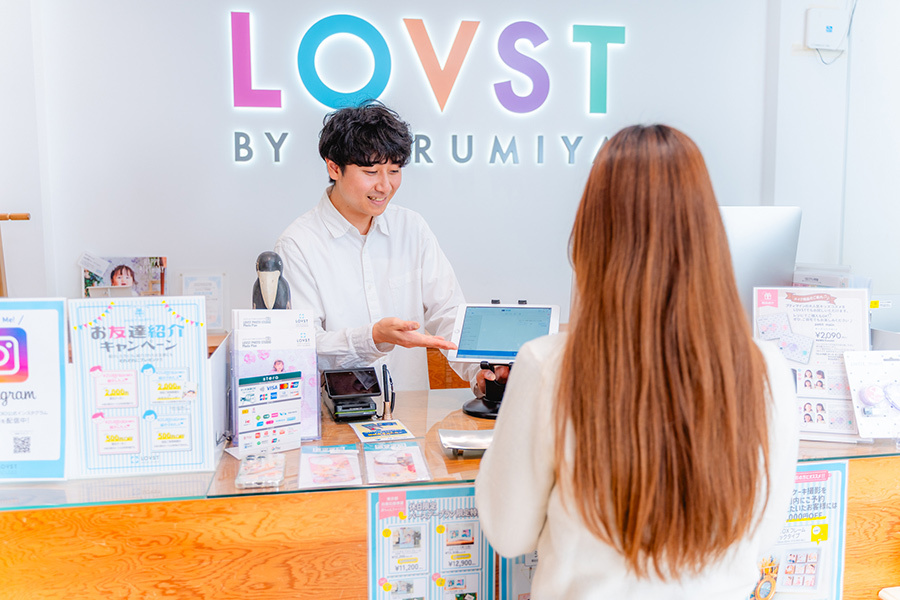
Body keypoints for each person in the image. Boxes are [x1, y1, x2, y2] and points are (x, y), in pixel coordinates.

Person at [475, 125, 799, 599]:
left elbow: (509, 533)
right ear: (707, 232)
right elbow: (763, 533)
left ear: (593, 233)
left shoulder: (548, 366)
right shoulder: (766, 368)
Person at [275, 102, 484, 391]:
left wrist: (480, 371)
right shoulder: (297, 244)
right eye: (371, 172)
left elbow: (449, 315)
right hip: (335, 413)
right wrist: (372, 338)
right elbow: (303, 346)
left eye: (394, 170)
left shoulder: (411, 228)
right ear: (334, 167)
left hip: (410, 409)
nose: (385, 186)